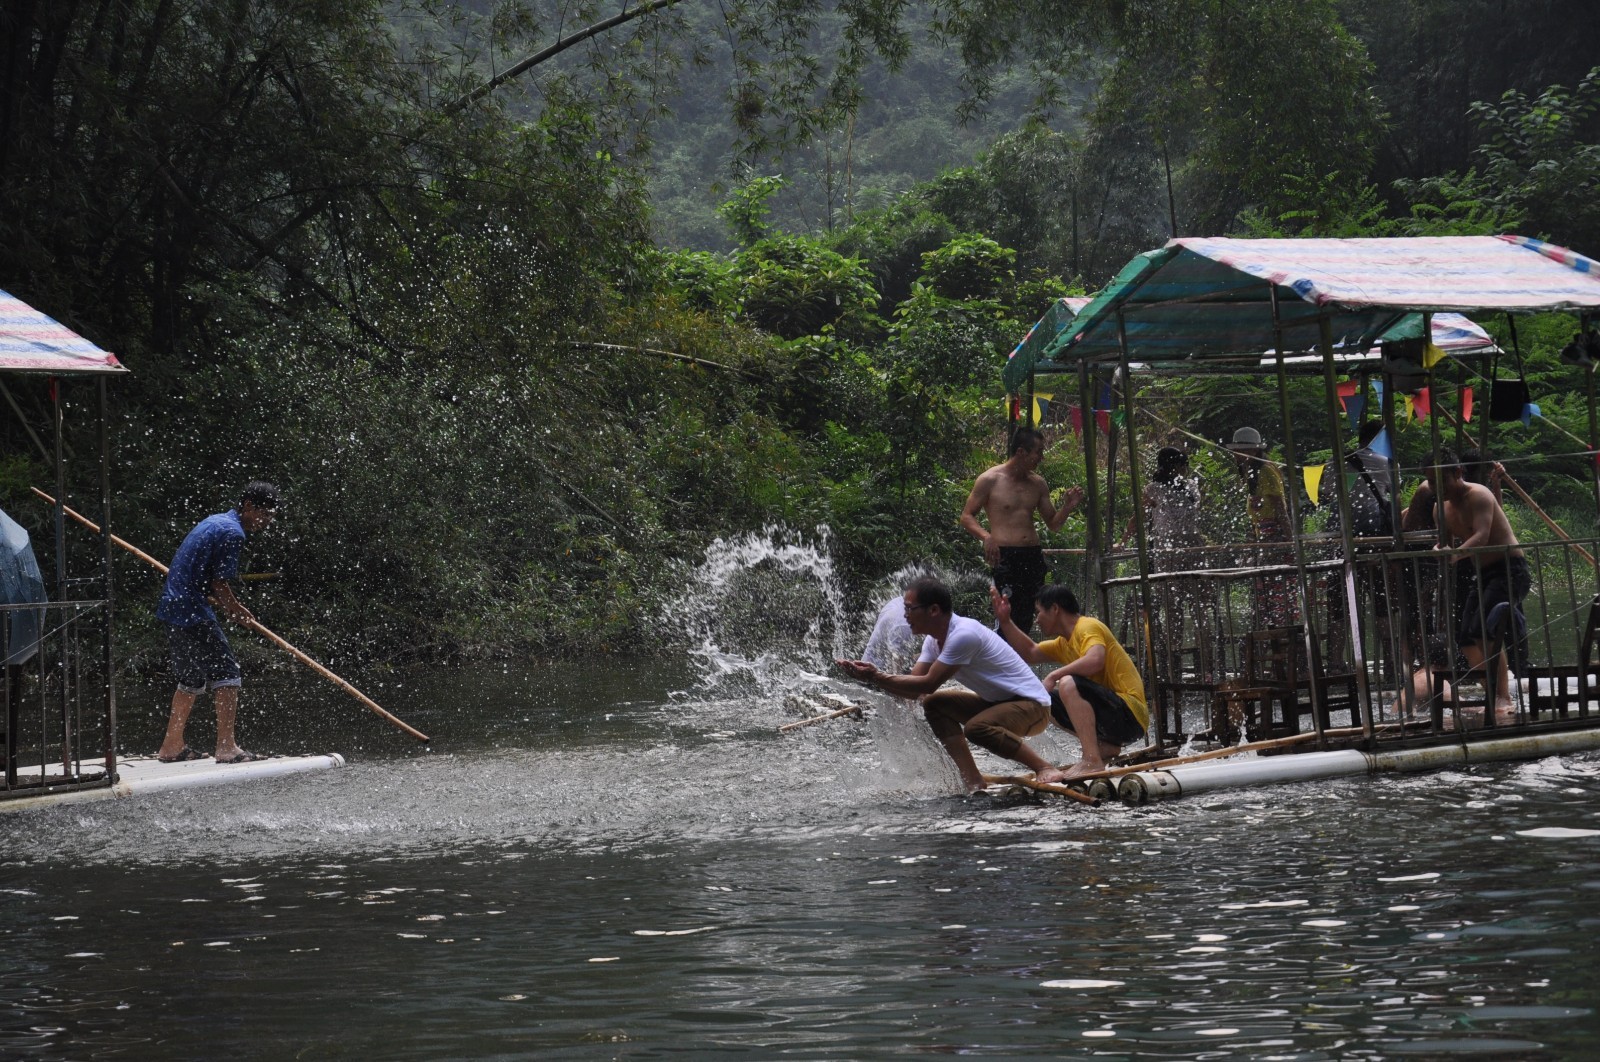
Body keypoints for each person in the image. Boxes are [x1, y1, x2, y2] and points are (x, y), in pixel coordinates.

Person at [835, 575, 1057, 791]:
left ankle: (1043, 766)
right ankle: (972, 779)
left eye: (910, 609)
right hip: (999, 705)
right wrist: (870, 679)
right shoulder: (933, 641)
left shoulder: (963, 634)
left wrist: (876, 677)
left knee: (975, 728)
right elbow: (914, 689)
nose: (905, 616)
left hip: (1034, 708)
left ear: (933, 610)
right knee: (935, 704)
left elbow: (928, 684)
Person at [154, 481, 281, 764]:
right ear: (248, 506)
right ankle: (226, 747)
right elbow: (218, 582)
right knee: (227, 672)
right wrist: (236, 610)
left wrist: (229, 605)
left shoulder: (215, 521)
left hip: (173, 605)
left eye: (270, 517)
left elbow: (204, 576)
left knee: (192, 677)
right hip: (191, 609)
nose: (265, 522)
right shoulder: (232, 532)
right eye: (263, 514)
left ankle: (171, 746)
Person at [1396, 451, 1527, 721]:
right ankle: (1492, 690)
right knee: (1465, 638)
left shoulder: (1479, 495)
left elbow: (1481, 535)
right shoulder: (1438, 508)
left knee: (1484, 630)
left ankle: (1503, 695)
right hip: (1483, 572)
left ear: (1458, 473)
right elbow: (1445, 542)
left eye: (1441, 480)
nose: (1436, 488)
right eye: (1431, 482)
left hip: (1509, 570)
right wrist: (1441, 549)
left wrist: (1455, 555)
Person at [992, 583, 1149, 780]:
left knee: (1067, 683)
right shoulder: (1063, 642)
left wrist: (1053, 675)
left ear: (1055, 609)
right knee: (1043, 697)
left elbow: (1095, 660)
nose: (1037, 620)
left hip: (1132, 716)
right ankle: (1104, 748)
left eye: (1039, 612)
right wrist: (1005, 622)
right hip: (1114, 720)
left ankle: (1092, 760)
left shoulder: (1087, 626)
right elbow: (1030, 652)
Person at [959, 427, 1085, 634]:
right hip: (1006, 556)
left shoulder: (1037, 483)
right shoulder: (990, 479)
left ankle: (1021, 662)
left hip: (1032, 556)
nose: (1041, 458)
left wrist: (1068, 507)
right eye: (1038, 452)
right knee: (1008, 614)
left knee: (1030, 612)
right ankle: (1000, 661)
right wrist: (986, 536)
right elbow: (966, 516)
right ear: (1021, 452)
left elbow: (1053, 524)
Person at [1228, 426, 1297, 629]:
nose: (1237, 455)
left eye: (1242, 450)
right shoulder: (1251, 474)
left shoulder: (1266, 470)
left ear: (1254, 451)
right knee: (1264, 591)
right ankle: (1271, 630)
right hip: (1263, 538)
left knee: (1278, 589)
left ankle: (1282, 630)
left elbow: (1279, 508)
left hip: (1274, 536)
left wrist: (1289, 541)